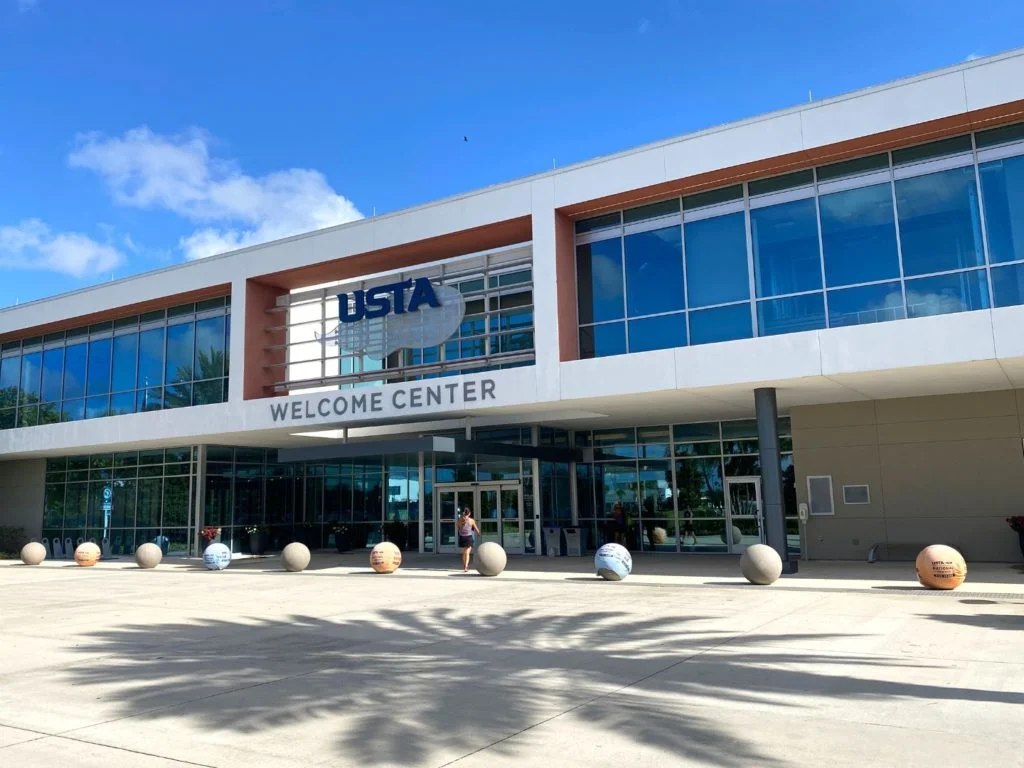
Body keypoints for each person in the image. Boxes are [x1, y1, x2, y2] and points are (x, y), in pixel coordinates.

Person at [457, 507, 480, 572]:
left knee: (466, 552)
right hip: (466, 537)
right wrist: (478, 533)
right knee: (466, 553)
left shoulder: (465, 520)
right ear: (469, 513)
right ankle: (465, 566)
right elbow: (459, 527)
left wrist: (478, 532)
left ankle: (465, 566)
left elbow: (458, 527)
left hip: (465, 537)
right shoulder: (466, 520)